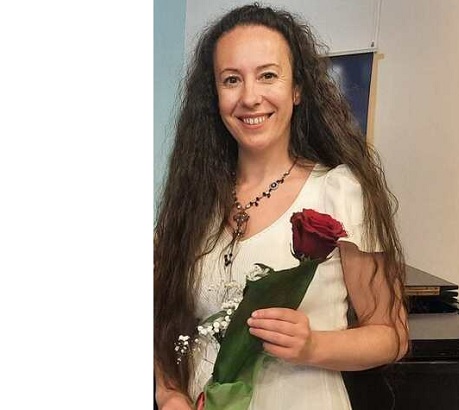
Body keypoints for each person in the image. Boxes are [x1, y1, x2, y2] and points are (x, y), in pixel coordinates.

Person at [154, 4, 408, 409]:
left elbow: (391, 335)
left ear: (297, 89)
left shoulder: (340, 191)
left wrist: (313, 346)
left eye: (268, 75)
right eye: (231, 80)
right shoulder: (192, 199)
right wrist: (168, 393)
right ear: (214, 95)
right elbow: (162, 318)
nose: (250, 97)